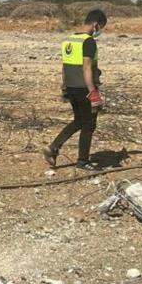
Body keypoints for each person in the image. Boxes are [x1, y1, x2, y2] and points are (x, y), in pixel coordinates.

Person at [43, 9, 108, 170]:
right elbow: (87, 68)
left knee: (79, 120)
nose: (99, 31)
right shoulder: (88, 42)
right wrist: (93, 93)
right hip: (84, 88)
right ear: (95, 24)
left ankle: (53, 148)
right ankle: (83, 161)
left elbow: (65, 67)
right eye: (100, 27)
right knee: (89, 124)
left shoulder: (69, 40)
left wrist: (64, 86)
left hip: (71, 87)